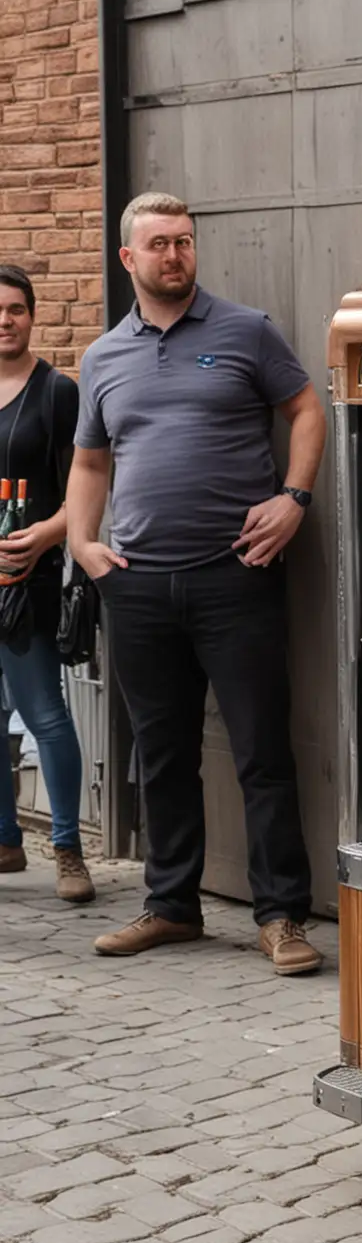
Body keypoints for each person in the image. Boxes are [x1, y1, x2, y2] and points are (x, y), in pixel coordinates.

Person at [66, 193, 328, 974]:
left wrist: (295, 497)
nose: (175, 255)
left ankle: (281, 915)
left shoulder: (246, 331)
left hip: (234, 577)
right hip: (139, 585)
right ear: (130, 260)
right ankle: (172, 905)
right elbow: (90, 460)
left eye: (184, 242)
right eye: (159, 245)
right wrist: (83, 542)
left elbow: (307, 409)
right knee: (162, 752)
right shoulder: (102, 356)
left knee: (260, 752)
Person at [0, 266, 93, 903]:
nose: (4, 320)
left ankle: (67, 849)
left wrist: (48, 534)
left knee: (45, 715)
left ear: (33, 315)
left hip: (25, 581)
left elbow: (85, 488)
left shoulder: (56, 392)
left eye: (15, 309)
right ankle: (6, 842)